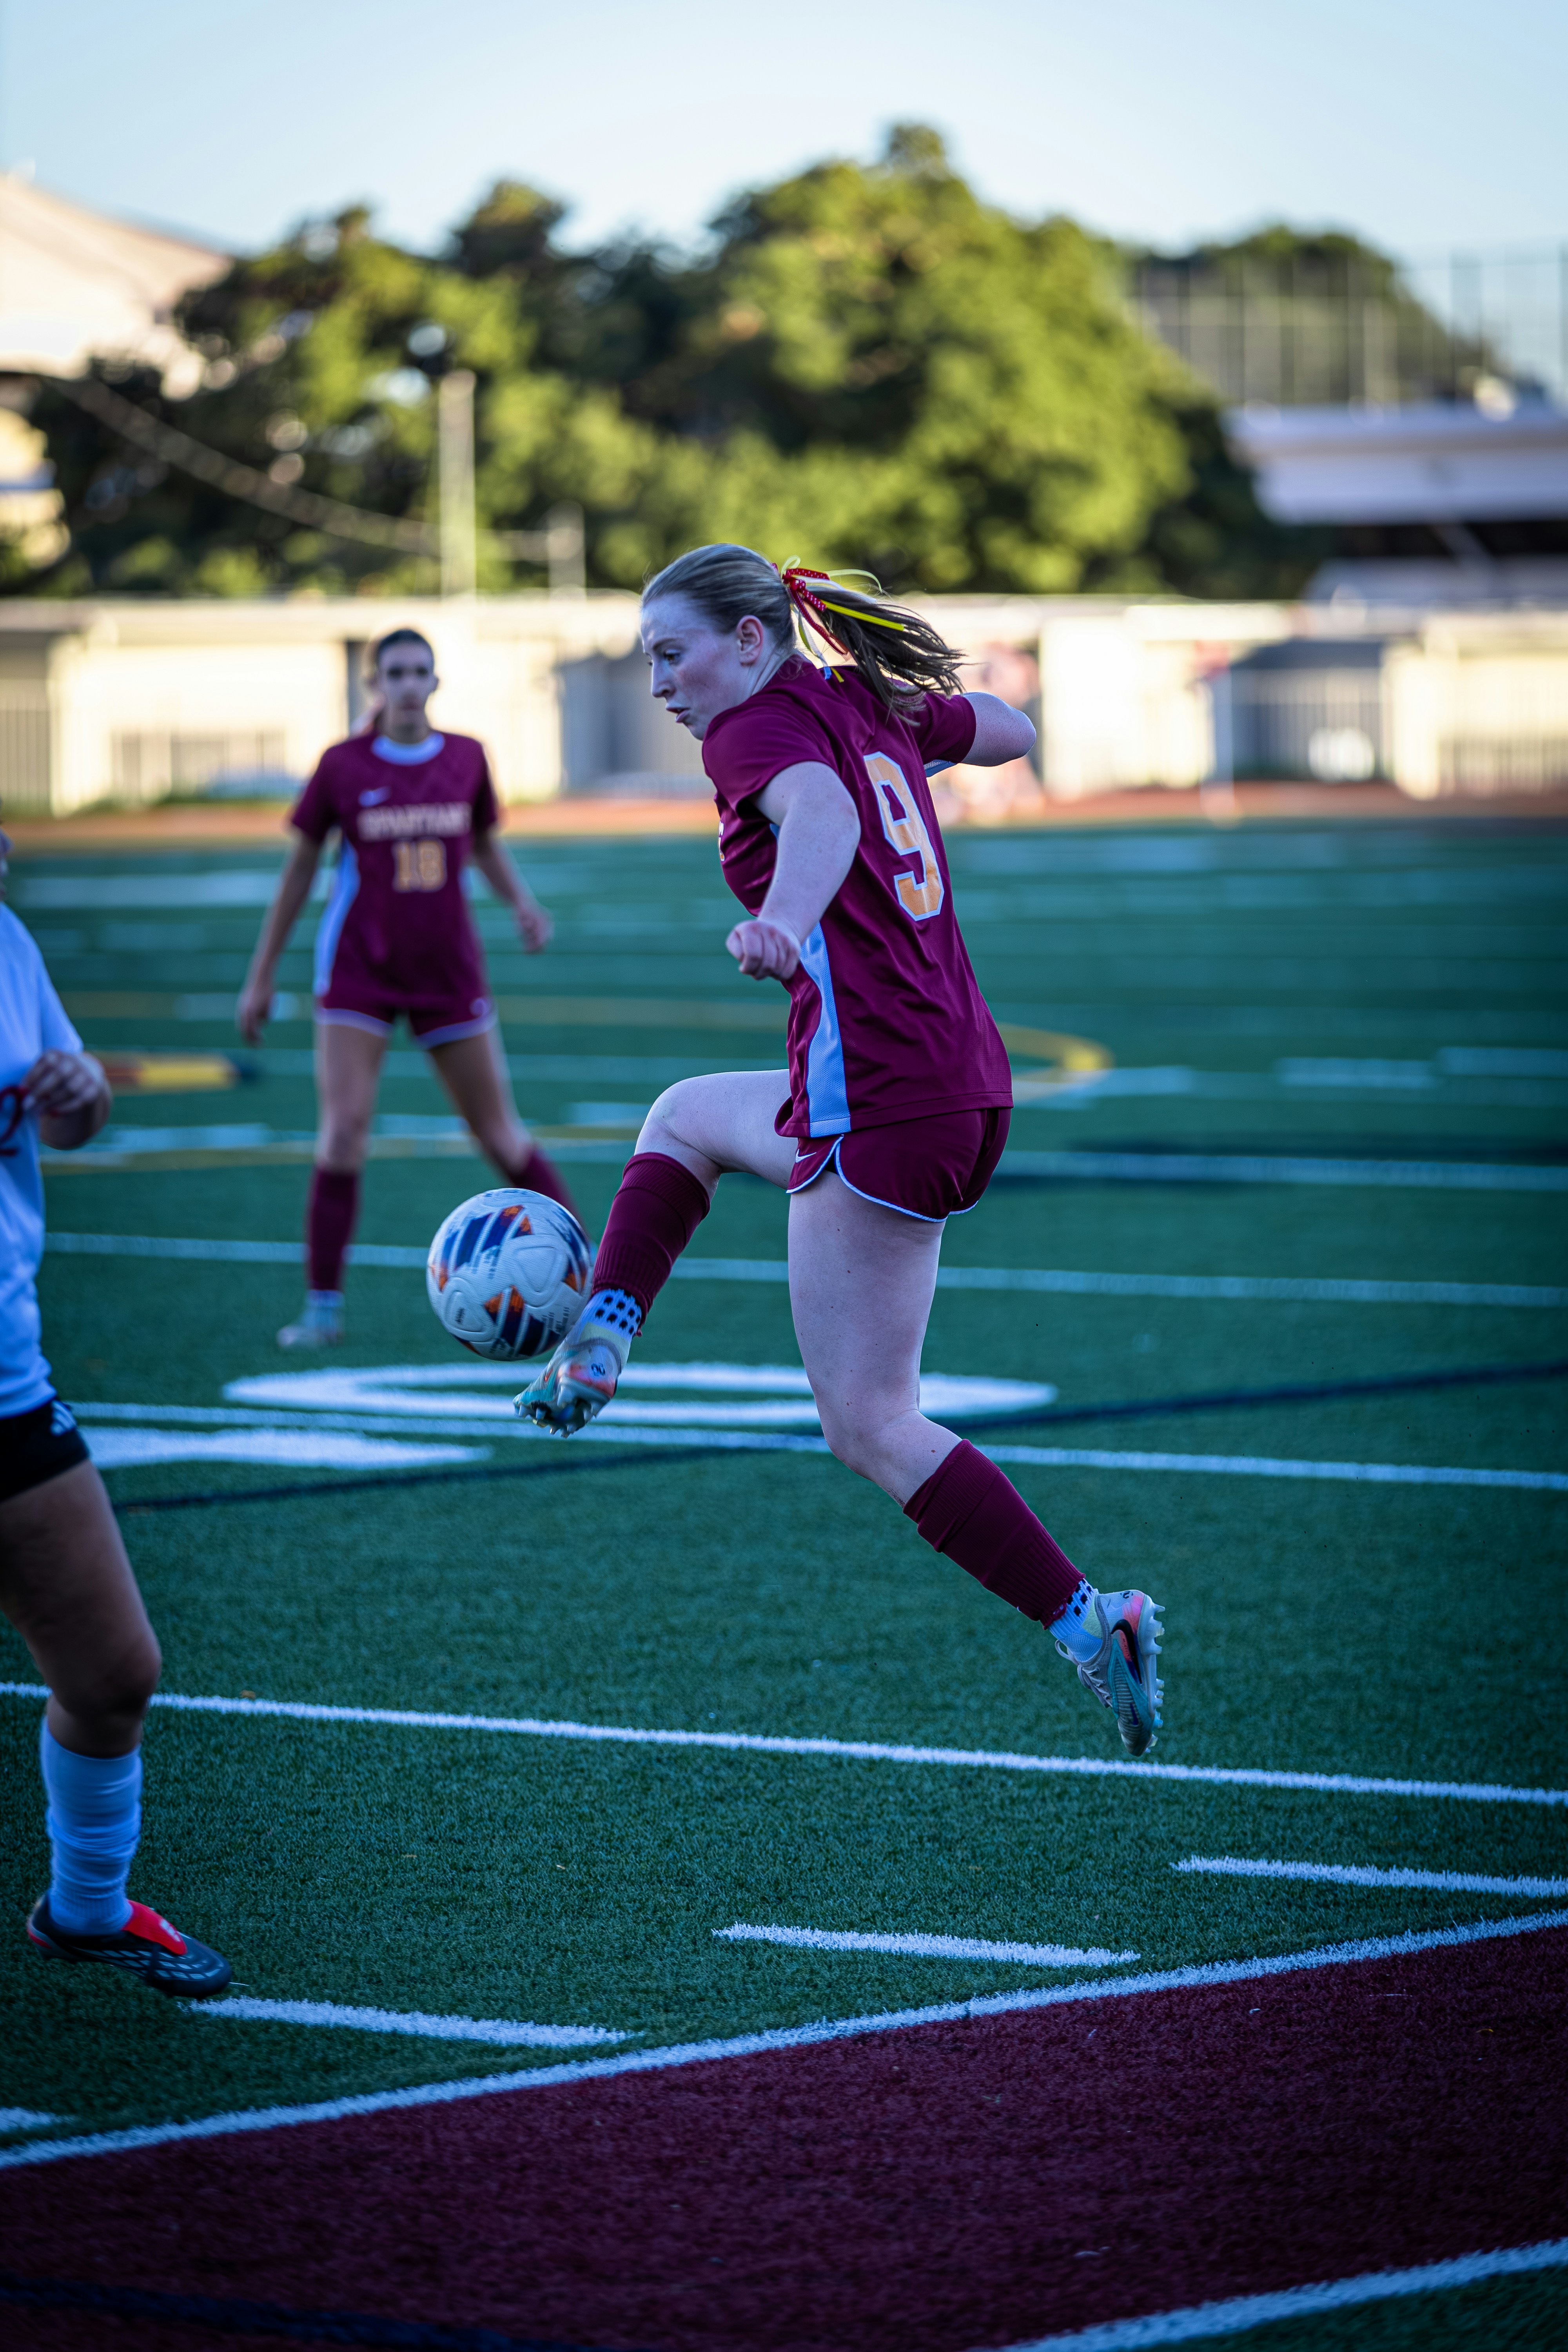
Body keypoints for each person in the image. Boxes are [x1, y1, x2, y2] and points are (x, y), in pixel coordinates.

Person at [520, 548, 1164, 1755]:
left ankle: (1093, 1619)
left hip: (876, 1093)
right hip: (964, 1087)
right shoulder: (865, 702)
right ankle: (600, 1342)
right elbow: (1014, 728)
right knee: (685, 1115)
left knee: (868, 1422)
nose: (660, 682)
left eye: (674, 652)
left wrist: (784, 918)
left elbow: (815, 812)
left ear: (753, 644)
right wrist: (907, 709)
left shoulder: (752, 731)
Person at [0, 820, 231, 1994]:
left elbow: (70, 1115)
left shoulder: (7, 940)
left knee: (112, 1672)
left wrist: (78, 1091)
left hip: (7, 1383)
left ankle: (85, 1908)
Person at [239, 627, 580, 1348]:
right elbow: (299, 871)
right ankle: (322, 1310)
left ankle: (595, 1282)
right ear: (375, 684)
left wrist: (521, 901)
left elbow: (482, 841)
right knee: (344, 1131)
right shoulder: (341, 765)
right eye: (393, 672)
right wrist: (262, 974)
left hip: (448, 969)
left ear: (435, 682)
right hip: (359, 970)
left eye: (419, 671)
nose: (406, 684)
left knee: (499, 1131)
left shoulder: (467, 757)